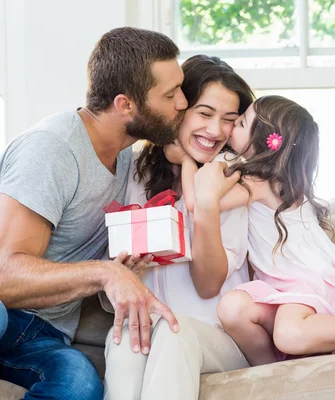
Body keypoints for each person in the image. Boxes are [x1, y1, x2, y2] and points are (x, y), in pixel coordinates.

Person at [0, 27, 187, 400]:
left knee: (80, 382)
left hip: (39, 333)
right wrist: (103, 272)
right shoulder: (52, 149)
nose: (181, 103)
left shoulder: (126, 163)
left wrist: (119, 273)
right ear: (125, 104)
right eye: (170, 94)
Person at [179, 94, 335, 366]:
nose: (231, 129)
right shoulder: (271, 179)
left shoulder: (258, 182)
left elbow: (198, 202)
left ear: (261, 143)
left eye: (241, 123)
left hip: (305, 279)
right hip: (282, 285)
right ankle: (273, 372)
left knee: (289, 335)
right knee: (232, 309)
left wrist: (186, 159)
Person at [103, 55, 255, 400]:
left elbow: (207, 284)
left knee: (175, 330)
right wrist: (121, 272)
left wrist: (193, 174)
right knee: (127, 336)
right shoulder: (136, 171)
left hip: (217, 337)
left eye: (229, 120)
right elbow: (111, 286)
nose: (216, 131)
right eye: (204, 114)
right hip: (151, 325)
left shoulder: (231, 176)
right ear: (179, 109)